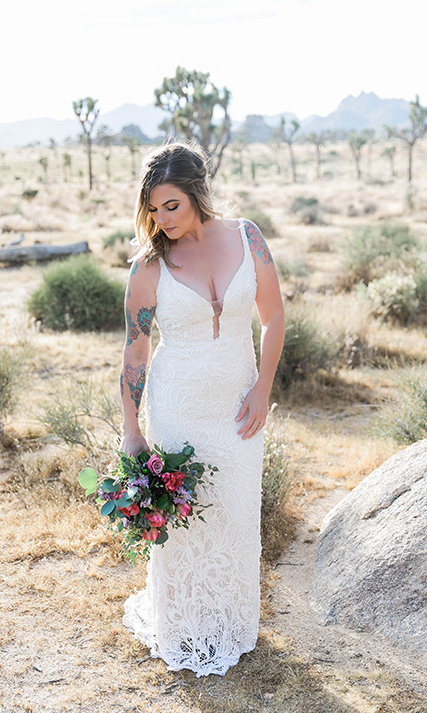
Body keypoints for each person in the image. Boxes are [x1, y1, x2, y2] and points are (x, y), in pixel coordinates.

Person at [119, 141, 285, 677]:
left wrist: (262, 388)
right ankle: (184, 624)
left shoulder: (247, 237)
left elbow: (274, 318)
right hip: (178, 406)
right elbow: (136, 351)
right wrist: (131, 428)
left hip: (238, 404)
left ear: (196, 194)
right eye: (153, 209)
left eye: (172, 205)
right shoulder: (149, 266)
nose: (162, 219)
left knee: (236, 511)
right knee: (186, 516)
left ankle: (231, 621)